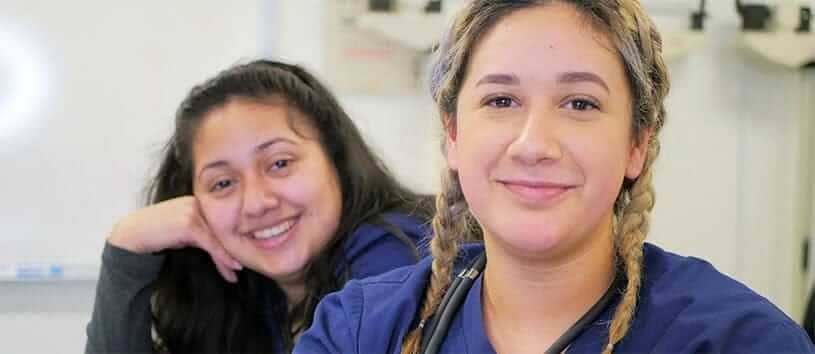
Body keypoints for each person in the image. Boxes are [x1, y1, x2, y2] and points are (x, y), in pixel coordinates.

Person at [295, 1, 815, 353]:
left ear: (637, 144)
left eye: (580, 103)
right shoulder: (359, 330)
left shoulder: (738, 341)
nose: (535, 145)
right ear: (452, 134)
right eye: (501, 100)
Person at [84, 59, 433, 353]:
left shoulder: (396, 256)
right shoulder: (250, 293)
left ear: (336, 160)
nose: (256, 203)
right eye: (223, 183)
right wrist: (127, 246)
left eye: (279, 163)